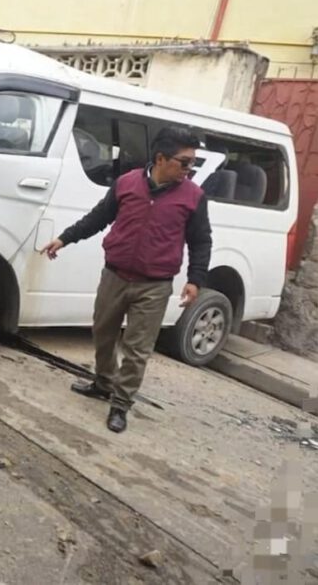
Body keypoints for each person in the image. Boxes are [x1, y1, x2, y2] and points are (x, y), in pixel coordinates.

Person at [42, 127, 212, 434]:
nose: (190, 170)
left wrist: (195, 279)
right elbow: (98, 218)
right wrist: (64, 239)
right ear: (161, 158)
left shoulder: (193, 197)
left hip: (155, 285)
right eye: (184, 162)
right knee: (103, 334)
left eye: (193, 164)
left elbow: (201, 242)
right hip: (115, 276)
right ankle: (103, 383)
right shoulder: (127, 183)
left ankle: (120, 405)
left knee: (137, 350)